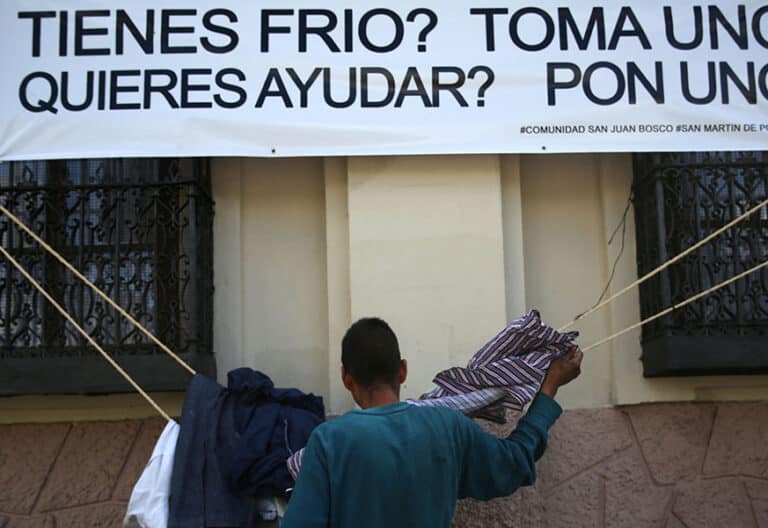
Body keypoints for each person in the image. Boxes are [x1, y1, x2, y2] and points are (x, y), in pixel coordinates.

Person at [281, 317, 583, 528]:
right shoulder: (448, 427)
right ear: (402, 371)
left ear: (346, 378)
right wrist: (549, 387)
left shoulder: (329, 441)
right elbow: (513, 463)